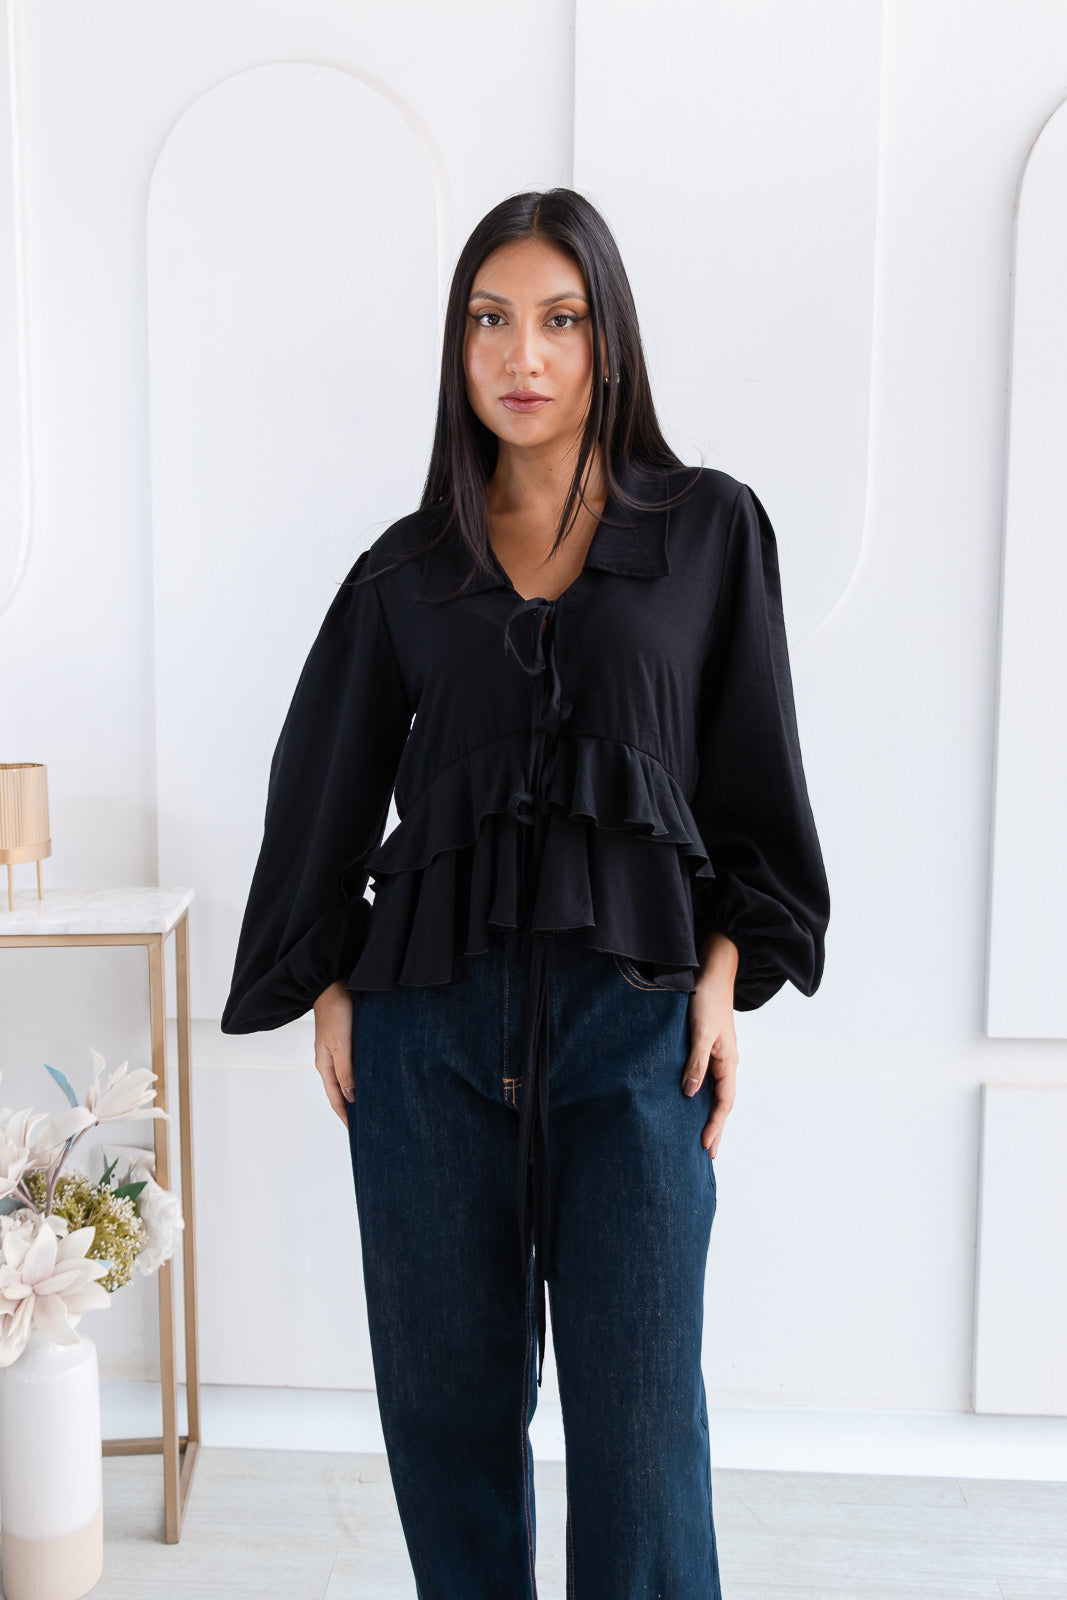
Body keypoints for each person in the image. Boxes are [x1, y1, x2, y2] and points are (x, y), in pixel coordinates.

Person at [221, 187, 830, 1600]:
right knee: (447, 1426)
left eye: (560, 319)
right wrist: (333, 981)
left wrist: (725, 981)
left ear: (608, 339)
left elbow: (758, 782)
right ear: (459, 345)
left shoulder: (708, 531)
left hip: (636, 1032)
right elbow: (318, 781)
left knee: (641, 1436)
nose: (524, 355)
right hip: (427, 1040)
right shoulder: (405, 572)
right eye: (491, 321)